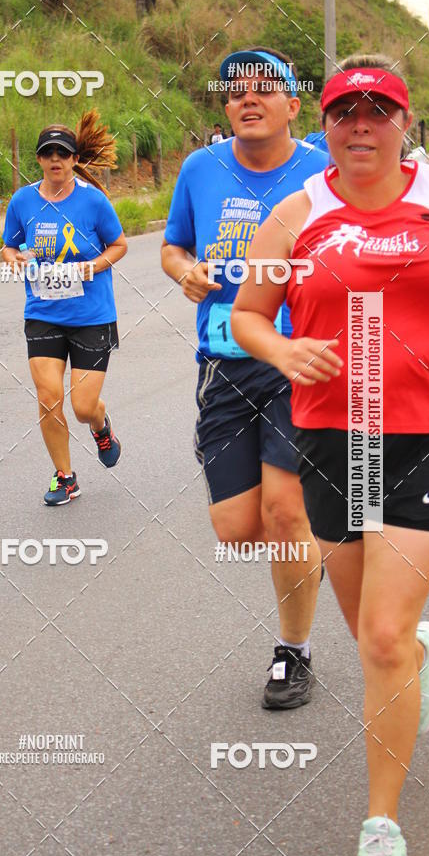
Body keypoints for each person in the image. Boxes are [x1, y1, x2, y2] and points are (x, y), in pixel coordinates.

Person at [231, 53, 429, 856]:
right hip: (334, 439)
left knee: (384, 637)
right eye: (344, 111)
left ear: (405, 122)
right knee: (374, 635)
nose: (361, 123)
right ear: (324, 124)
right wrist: (285, 354)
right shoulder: (296, 215)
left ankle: (381, 822)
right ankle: (423, 654)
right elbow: (249, 315)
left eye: (378, 109)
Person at [162, 47, 329, 710]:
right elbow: (174, 245)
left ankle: (294, 650)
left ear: (295, 103)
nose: (247, 98)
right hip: (224, 367)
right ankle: (325, 543)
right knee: (237, 527)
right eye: (234, 92)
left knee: (286, 513)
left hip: (299, 363)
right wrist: (185, 273)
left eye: (265, 88)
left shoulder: (324, 172)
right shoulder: (201, 169)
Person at [2, 110, 128, 505]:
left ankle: (100, 424)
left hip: (92, 317)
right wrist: (13, 258)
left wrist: (92, 266)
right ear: (39, 159)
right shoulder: (22, 201)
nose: (55, 159)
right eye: (48, 153)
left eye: (63, 152)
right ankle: (65, 477)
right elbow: (9, 244)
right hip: (43, 313)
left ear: (75, 159)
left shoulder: (94, 202)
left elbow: (120, 244)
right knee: (48, 396)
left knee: (82, 405)